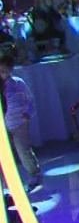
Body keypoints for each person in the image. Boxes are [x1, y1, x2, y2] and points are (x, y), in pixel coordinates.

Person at [0, 55, 41, 193]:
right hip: (3, 124)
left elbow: (30, 100)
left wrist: (28, 113)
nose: (2, 73)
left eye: (4, 70)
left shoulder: (18, 83)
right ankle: (7, 183)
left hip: (19, 122)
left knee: (23, 150)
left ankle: (34, 173)